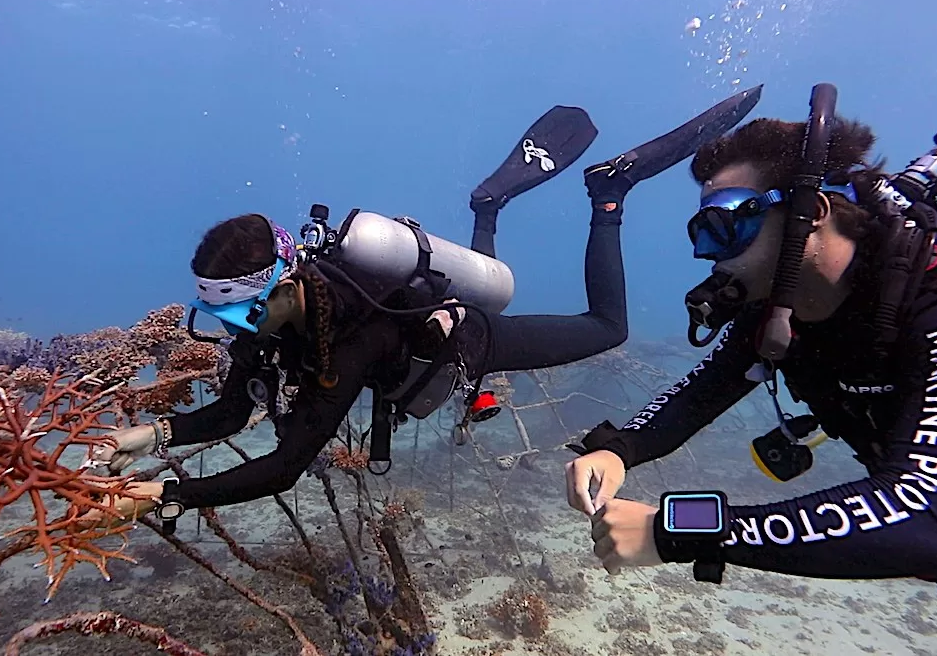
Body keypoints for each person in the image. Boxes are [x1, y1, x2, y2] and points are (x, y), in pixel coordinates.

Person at [79, 88, 763, 528]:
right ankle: (488, 207)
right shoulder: (268, 319)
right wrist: (156, 436)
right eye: (224, 320)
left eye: (242, 315)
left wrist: (165, 495)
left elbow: (286, 463)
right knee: (487, 275)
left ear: (283, 287)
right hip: (424, 332)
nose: (235, 335)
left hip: (464, 343)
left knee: (606, 328)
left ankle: (608, 196)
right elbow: (233, 412)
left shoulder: (352, 330)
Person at [563, 86, 937, 619]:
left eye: (725, 226)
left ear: (813, 211)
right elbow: (702, 392)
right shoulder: (785, 320)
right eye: (701, 231)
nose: (705, 254)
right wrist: (618, 450)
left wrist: (675, 530)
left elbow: (930, 523)